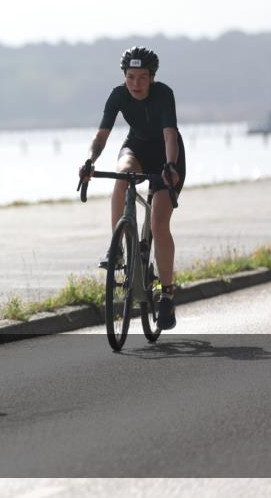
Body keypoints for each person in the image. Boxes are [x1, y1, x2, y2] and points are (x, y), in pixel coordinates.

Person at [78, 46, 186, 330]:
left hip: (167, 155)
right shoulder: (118, 95)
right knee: (122, 175)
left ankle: (167, 295)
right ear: (124, 76)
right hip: (136, 147)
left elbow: (170, 135)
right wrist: (90, 160)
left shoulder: (164, 94)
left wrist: (171, 166)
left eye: (141, 77)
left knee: (158, 224)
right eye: (130, 77)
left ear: (152, 78)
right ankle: (118, 250)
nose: (135, 84)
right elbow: (101, 137)